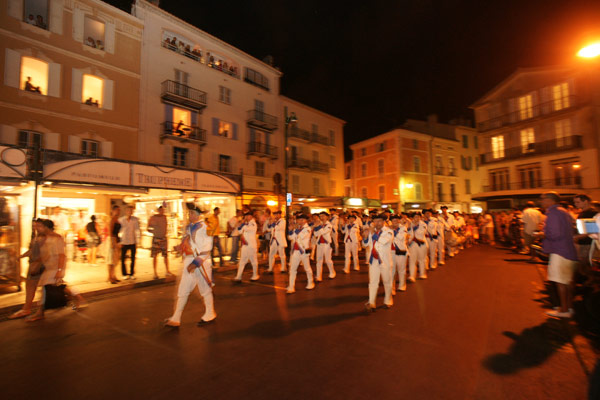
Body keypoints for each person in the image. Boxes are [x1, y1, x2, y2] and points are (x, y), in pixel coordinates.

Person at [164, 204, 216, 328]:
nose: (189, 215)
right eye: (189, 213)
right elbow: (187, 242)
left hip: (200, 262)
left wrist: (196, 263)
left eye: (192, 213)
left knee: (205, 290)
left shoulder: (205, 227)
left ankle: (210, 313)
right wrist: (179, 247)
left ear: (198, 215)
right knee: (183, 289)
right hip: (189, 260)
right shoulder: (189, 227)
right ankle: (176, 317)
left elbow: (208, 247)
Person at [27, 219, 85, 322]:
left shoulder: (57, 238)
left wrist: (59, 270)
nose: (38, 228)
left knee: (45, 287)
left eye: (40, 226)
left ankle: (40, 312)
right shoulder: (45, 238)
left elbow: (61, 255)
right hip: (49, 267)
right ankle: (76, 296)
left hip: (56, 267)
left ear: (46, 227)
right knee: (57, 286)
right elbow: (44, 254)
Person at [540, 192, 578, 319]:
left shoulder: (553, 213)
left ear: (550, 200)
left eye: (543, 199)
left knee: (560, 282)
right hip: (569, 250)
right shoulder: (564, 212)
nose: (541, 201)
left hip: (559, 251)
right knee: (567, 282)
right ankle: (569, 308)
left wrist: (542, 234)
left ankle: (564, 310)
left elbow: (555, 234)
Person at [9, 219, 46, 319]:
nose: (36, 227)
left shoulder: (45, 238)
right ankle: (28, 309)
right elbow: (31, 251)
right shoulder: (36, 237)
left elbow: (46, 253)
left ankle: (30, 310)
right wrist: (21, 256)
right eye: (34, 225)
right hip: (34, 265)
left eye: (38, 226)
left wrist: (37, 263)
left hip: (39, 267)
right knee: (31, 286)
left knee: (41, 287)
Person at [363, 214, 394, 312]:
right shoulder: (372, 232)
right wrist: (365, 237)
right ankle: (371, 302)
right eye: (375, 221)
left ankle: (388, 300)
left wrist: (372, 233)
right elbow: (365, 245)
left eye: (379, 221)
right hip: (373, 260)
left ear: (383, 221)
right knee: (373, 282)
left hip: (385, 261)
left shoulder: (388, 231)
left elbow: (382, 241)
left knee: (387, 281)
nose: (377, 223)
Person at [286, 214, 315, 294]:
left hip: (303, 251)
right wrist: (290, 230)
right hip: (296, 251)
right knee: (292, 269)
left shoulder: (308, 228)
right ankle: (291, 286)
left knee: (307, 268)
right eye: (299, 220)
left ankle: (311, 282)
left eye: (302, 220)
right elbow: (290, 238)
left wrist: (293, 230)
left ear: (305, 220)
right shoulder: (298, 228)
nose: (300, 221)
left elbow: (300, 236)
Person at [573, 194, 596, 281]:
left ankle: (592, 283)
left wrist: (576, 237)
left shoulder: (590, 213)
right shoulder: (583, 213)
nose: (575, 204)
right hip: (582, 243)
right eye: (575, 202)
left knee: (584, 265)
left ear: (585, 201)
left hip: (587, 244)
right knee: (582, 265)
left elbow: (590, 231)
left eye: (577, 202)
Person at [234, 212, 259, 282]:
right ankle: (238, 276)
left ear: (250, 216)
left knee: (253, 261)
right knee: (242, 261)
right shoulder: (246, 224)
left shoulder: (253, 223)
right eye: (245, 216)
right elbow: (239, 231)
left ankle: (255, 275)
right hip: (245, 245)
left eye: (247, 216)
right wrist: (240, 224)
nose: (246, 217)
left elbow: (248, 229)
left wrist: (243, 223)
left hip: (251, 246)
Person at [148, 206, 173, 279]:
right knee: (155, 255)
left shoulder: (164, 217)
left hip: (163, 238)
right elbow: (148, 228)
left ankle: (167, 271)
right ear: (158, 210)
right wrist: (154, 232)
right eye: (161, 210)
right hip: (156, 238)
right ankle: (155, 272)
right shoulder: (153, 218)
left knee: (165, 255)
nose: (162, 212)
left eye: (163, 210)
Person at [119, 205, 140, 280]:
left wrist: (138, 241)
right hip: (124, 241)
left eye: (131, 211)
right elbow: (119, 231)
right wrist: (120, 241)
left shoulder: (135, 220)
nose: (130, 212)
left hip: (132, 241)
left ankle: (131, 273)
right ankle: (124, 274)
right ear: (125, 211)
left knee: (133, 258)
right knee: (123, 259)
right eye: (128, 210)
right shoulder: (121, 220)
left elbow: (137, 230)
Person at [313, 212, 336, 281]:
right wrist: (317, 227)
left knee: (328, 260)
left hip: (327, 244)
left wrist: (318, 227)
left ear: (327, 217)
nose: (321, 217)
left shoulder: (329, 225)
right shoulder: (320, 224)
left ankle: (332, 272)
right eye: (320, 216)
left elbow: (323, 232)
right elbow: (316, 234)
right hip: (320, 243)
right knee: (319, 260)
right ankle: (318, 276)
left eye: (323, 216)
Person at [390, 214, 409, 294]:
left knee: (401, 269)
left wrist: (394, 230)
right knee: (391, 270)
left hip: (400, 251)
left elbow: (401, 237)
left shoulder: (403, 228)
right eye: (393, 221)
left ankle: (402, 285)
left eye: (396, 221)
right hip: (391, 252)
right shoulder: (387, 228)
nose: (395, 222)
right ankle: (391, 288)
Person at [408, 212, 428, 281]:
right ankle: (412, 276)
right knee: (412, 260)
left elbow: (421, 233)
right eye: (415, 217)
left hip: (421, 243)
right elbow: (407, 233)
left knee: (422, 260)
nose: (417, 218)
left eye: (418, 217)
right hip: (412, 244)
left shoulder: (423, 224)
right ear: (412, 218)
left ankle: (422, 274)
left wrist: (414, 227)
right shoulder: (409, 224)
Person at [107, 205, 121, 284]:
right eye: (117, 210)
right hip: (113, 240)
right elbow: (110, 232)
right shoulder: (112, 219)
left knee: (115, 260)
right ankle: (110, 277)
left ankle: (113, 275)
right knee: (111, 260)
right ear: (113, 210)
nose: (118, 212)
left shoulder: (117, 219)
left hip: (116, 239)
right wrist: (113, 243)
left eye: (119, 210)